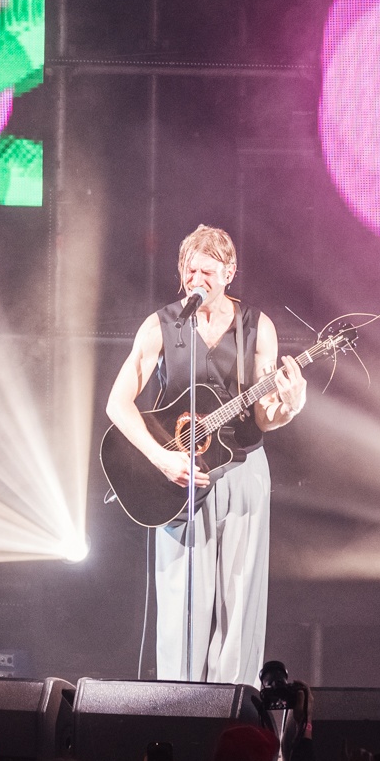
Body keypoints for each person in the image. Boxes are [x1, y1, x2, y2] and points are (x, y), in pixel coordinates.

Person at [104, 225, 308, 685]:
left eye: (208, 272)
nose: (196, 280)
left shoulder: (257, 327)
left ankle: (234, 703)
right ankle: (180, 703)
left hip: (242, 467)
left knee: (240, 595)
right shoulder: (161, 325)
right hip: (178, 473)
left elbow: (264, 416)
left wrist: (290, 407)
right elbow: (118, 403)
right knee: (181, 598)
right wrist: (160, 458)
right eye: (190, 270)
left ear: (230, 272)